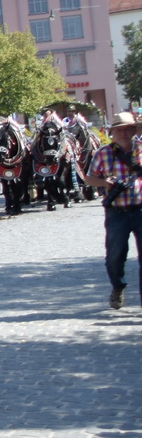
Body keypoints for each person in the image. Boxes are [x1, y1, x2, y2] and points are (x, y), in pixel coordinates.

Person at [89, 111, 142, 310]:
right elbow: (89, 178)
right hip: (116, 212)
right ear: (113, 132)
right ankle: (118, 286)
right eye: (119, 130)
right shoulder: (104, 153)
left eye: (128, 129)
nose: (123, 133)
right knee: (115, 257)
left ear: (133, 130)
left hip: (141, 210)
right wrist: (105, 182)